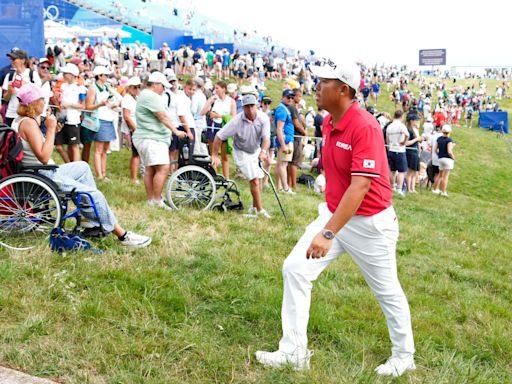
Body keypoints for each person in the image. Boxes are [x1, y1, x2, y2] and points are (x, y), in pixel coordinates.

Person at [255, 59, 415, 377]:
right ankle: (294, 353)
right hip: (335, 215)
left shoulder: (365, 126)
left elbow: (361, 185)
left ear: (343, 90)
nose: (315, 88)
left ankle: (404, 356)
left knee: (386, 290)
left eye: (323, 83)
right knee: (295, 269)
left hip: (370, 225)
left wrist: (327, 234)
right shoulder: (329, 122)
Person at [13, 83, 151, 247]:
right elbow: (43, 156)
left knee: (83, 167)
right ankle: (123, 235)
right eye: (42, 99)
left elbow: (37, 148)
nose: (45, 102)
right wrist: (50, 130)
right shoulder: (28, 123)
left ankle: (88, 221)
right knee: (94, 194)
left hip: (40, 171)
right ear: (34, 103)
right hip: (43, 174)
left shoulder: (22, 121)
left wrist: (52, 132)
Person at [211, 94, 271, 218]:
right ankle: (260, 211)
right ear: (243, 107)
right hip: (241, 152)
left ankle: (254, 208)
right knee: (254, 180)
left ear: (257, 105)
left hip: (255, 149)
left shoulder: (263, 118)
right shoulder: (236, 121)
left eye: (252, 106)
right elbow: (219, 136)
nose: (250, 109)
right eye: (247, 107)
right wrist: (214, 155)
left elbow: (266, 138)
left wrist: (264, 151)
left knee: (259, 179)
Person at [133, 72, 186, 208]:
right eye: (163, 86)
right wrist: (176, 131)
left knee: (151, 168)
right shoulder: (152, 96)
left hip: (146, 136)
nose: (164, 90)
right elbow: (162, 117)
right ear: (156, 84)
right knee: (163, 168)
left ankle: (152, 199)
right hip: (153, 138)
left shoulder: (145, 95)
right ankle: (156, 200)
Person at [54, 63, 85, 163]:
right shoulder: (62, 86)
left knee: (73, 146)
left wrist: (70, 105)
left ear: (72, 74)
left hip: (73, 120)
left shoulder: (80, 88)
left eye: (65, 73)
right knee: (58, 146)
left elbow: (83, 106)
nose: (63, 75)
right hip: (61, 118)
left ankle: (76, 168)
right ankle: (69, 165)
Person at [274, 89, 296, 194]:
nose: (290, 99)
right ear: (283, 97)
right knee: (283, 165)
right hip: (286, 140)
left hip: (286, 139)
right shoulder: (282, 110)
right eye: (288, 97)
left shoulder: (283, 109)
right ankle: (286, 188)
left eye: (292, 97)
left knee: (280, 164)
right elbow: (279, 128)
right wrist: (283, 145)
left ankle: (280, 187)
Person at [121, 76, 141, 184]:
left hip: (138, 127)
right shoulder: (127, 99)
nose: (137, 89)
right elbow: (127, 116)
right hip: (134, 129)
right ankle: (133, 177)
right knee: (135, 154)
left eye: (138, 87)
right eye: (135, 87)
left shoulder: (135, 98)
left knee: (138, 153)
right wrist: (135, 129)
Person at [385, 110, 409, 196]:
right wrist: (404, 141)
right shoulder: (401, 126)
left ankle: (392, 187)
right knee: (401, 171)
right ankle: (399, 188)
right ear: (401, 116)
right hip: (399, 149)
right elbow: (407, 134)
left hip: (391, 149)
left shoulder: (389, 126)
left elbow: (387, 139)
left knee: (392, 170)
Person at [436, 124, 455, 196]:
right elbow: (449, 151)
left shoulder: (439, 139)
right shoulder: (449, 140)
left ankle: (436, 189)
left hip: (440, 158)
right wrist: (453, 157)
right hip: (447, 159)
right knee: (445, 176)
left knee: (440, 175)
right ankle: (443, 191)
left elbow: (436, 149)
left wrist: (440, 154)